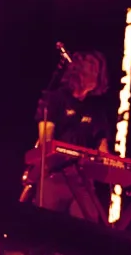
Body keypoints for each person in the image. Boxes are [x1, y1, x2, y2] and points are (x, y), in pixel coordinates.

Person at [28, 50, 114, 220]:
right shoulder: (55, 99)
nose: (96, 74)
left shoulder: (97, 110)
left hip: (83, 182)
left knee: (88, 225)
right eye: (92, 68)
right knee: (46, 225)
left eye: (98, 71)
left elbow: (103, 148)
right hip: (54, 176)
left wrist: (112, 163)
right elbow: (46, 142)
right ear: (79, 70)